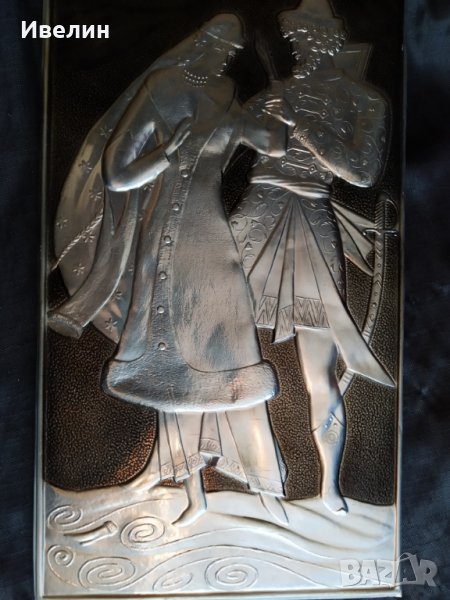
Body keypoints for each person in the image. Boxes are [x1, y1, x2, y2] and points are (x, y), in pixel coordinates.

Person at [49, 14, 289, 526]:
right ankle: (190, 488)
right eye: (218, 42)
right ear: (199, 39)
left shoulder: (225, 93)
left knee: (231, 344)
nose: (224, 53)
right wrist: (165, 153)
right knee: (172, 356)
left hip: (212, 234)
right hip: (166, 235)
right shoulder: (162, 87)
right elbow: (117, 172)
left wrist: (280, 105)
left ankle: (264, 487)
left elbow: (271, 144)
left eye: (231, 48)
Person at [230, 0, 394, 515]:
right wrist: (256, 119)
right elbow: (227, 141)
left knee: (318, 369)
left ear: (334, 38)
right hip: (255, 213)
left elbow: (362, 173)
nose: (305, 42)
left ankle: (328, 486)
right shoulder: (274, 94)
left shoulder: (365, 100)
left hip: (311, 217)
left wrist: (301, 122)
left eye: (316, 32)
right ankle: (233, 470)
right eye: (299, 33)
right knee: (216, 339)